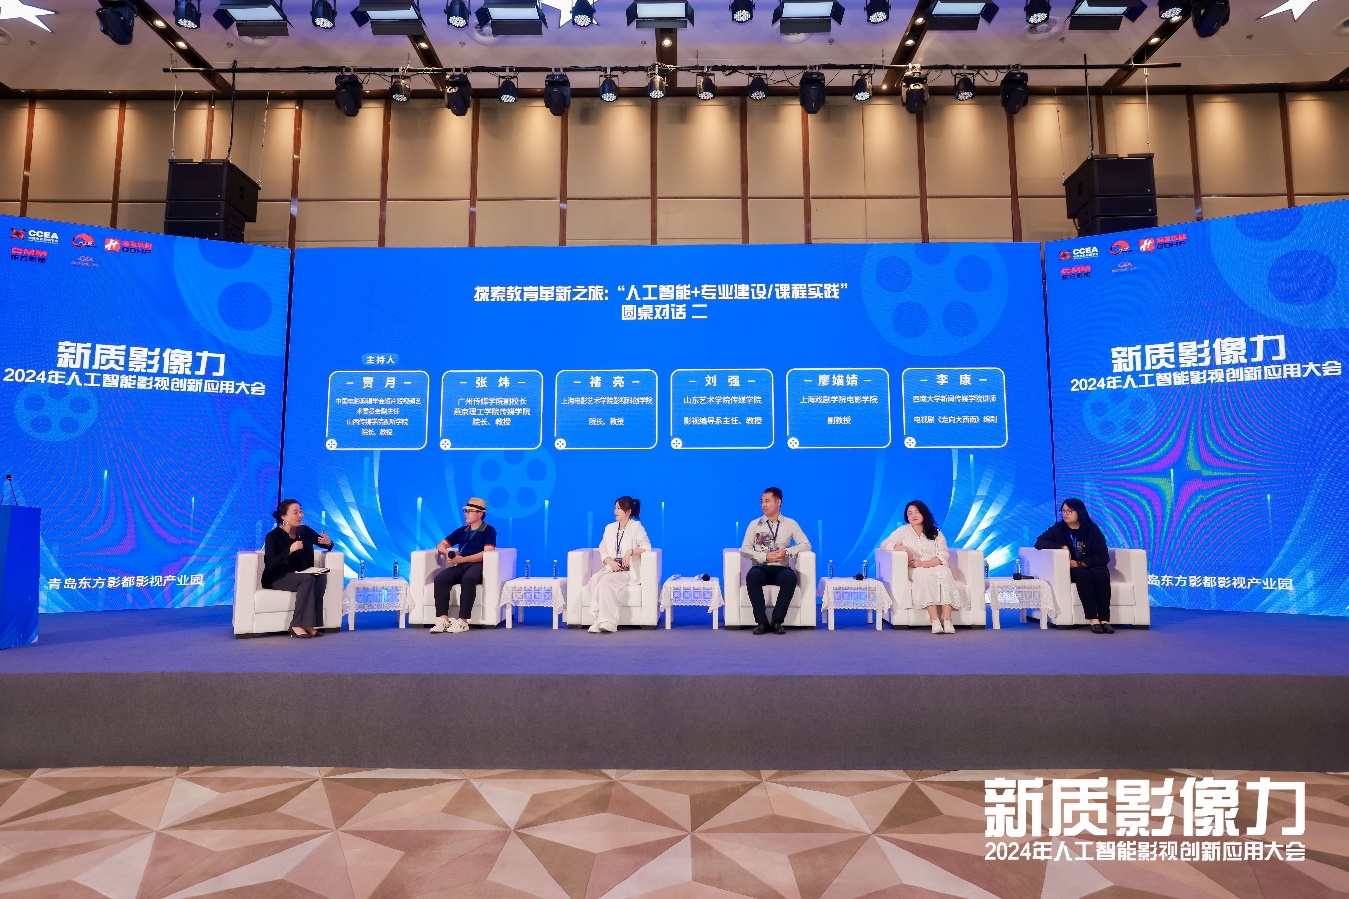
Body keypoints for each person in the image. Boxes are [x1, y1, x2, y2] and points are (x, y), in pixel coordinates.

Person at [881, 500, 968, 635]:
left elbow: (944, 555)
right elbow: (884, 545)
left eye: (917, 512)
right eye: (910, 513)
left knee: (945, 574)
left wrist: (923, 564)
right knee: (925, 575)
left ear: (924, 513)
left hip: (935, 565)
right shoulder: (903, 531)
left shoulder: (935, 532)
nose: (913, 515)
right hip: (915, 569)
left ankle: (947, 619)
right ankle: (935, 620)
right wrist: (903, 548)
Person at [1035, 498, 1113, 633]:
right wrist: (1060, 546)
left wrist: (1081, 563)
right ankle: (1093, 619)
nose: (1065, 514)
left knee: (1101, 575)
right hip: (1072, 569)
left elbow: (1103, 556)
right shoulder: (1059, 528)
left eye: (1069, 511)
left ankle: (1105, 620)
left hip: (1092, 564)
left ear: (1079, 512)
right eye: (1063, 511)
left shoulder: (1092, 529)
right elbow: (1039, 542)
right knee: (1083, 576)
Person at [739, 487, 811, 635]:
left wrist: (787, 551)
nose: (763, 505)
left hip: (781, 568)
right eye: (762, 502)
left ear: (778, 502)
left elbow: (806, 545)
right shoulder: (754, 524)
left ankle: (777, 621)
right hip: (761, 567)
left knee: (790, 578)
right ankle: (762, 622)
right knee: (752, 576)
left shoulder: (790, 524)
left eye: (767, 501)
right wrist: (764, 557)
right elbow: (744, 549)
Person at [261, 498, 334, 638]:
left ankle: (309, 624)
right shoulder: (273, 536)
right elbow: (270, 564)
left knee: (320, 578)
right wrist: (290, 550)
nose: (300, 515)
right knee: (307, 579)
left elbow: (324, 543)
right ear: (284, 516)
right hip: (277, 577)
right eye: (295, 512)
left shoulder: (304, 531)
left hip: (300, 573)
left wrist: (329, 542)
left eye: (301, 511)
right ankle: (296, 625)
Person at [430, 497, 498, 634]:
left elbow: (487, 552)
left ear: (480, 514)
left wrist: (463, 559)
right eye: (465, 511)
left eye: (470, 511)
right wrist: (447, 553)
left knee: (468, 579)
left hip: (478, 565)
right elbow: (441, 545)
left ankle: (463, 621)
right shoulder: (462, 530)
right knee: (441, 579)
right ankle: (444, 619)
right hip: (461, 565)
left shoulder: (489, 530)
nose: (466, 514)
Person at [586, 496, 650, 633]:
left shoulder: (636, 527)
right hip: (612, 568)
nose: (615, 511)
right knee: (595, 579)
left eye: (619, 508)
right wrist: (611, 562)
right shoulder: (609, 528)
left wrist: (630, 552)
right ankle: (598, 619)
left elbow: (646, 547)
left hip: (627, 571)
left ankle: (609, 622)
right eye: (615, 508)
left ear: (628, 511)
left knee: (606, 580)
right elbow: (602, 548)